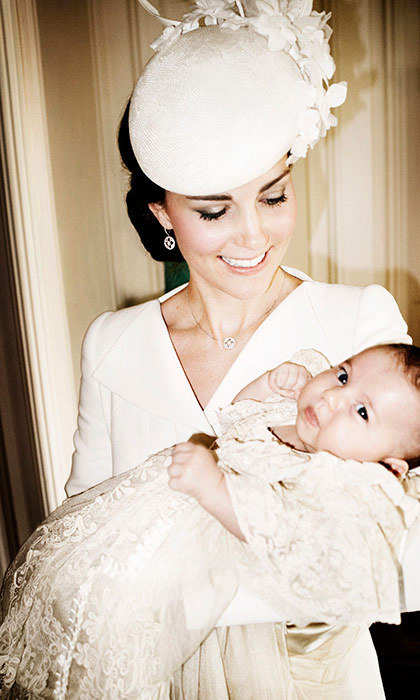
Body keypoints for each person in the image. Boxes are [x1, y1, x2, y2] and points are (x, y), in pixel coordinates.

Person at [64, 1, 415, 698]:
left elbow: (407, 553)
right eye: (215, 211)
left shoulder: (359, 329)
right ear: (164, 216)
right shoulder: (113, 346)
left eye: (275, 196)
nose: (253, 238)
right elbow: (83, 544)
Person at [1, 343, 420, 699]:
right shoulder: (290, 414)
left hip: (220, 617)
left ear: (390, 466)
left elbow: (285, 535)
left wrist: (216, 488)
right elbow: (236, 417)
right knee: (74, 593)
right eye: (343, 376)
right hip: (140, 524)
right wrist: (267, 385)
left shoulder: (344, 484)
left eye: (362, 412)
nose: (331, 398)